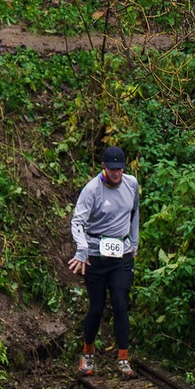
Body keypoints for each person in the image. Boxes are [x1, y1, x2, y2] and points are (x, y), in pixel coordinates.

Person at [70, 146, 142, 377]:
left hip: (121, 254)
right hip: (96, 254)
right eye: (112, 170)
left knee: (121, 305)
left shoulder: (131, 184)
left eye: (119, 169)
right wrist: (82, 250)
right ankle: (87, 355)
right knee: (96, 308)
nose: (116, 174)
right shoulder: (92, 189)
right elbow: (77, 221)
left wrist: (135, 242)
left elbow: (135, 213)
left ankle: (123, 359)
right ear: (103, 167)